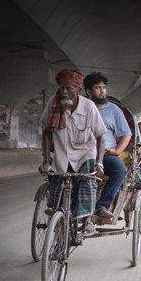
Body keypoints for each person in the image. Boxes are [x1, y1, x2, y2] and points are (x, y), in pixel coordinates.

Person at [39, 68, 107, 238]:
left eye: (68, 88)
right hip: (62, 153)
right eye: (62, 88)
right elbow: (47, 133)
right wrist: (46, 160)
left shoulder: (89, 107)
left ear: (77, 90)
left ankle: (86, 220)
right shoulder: (53, 104)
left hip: (85, 153)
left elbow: (100, 136)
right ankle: (57, 212)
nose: (64, 92)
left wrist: (99, 163)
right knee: (55, 181)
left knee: (87, 181)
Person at [84, 72, 132, 219]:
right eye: (98, 88)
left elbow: (126, 134)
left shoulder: (114, 110)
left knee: (119, 169)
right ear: (88, 91)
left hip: (105, 154)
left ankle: (102, 206)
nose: (102, 91)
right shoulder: (82, 107)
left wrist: (117, 151)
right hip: (83, 153)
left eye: (103, 87)